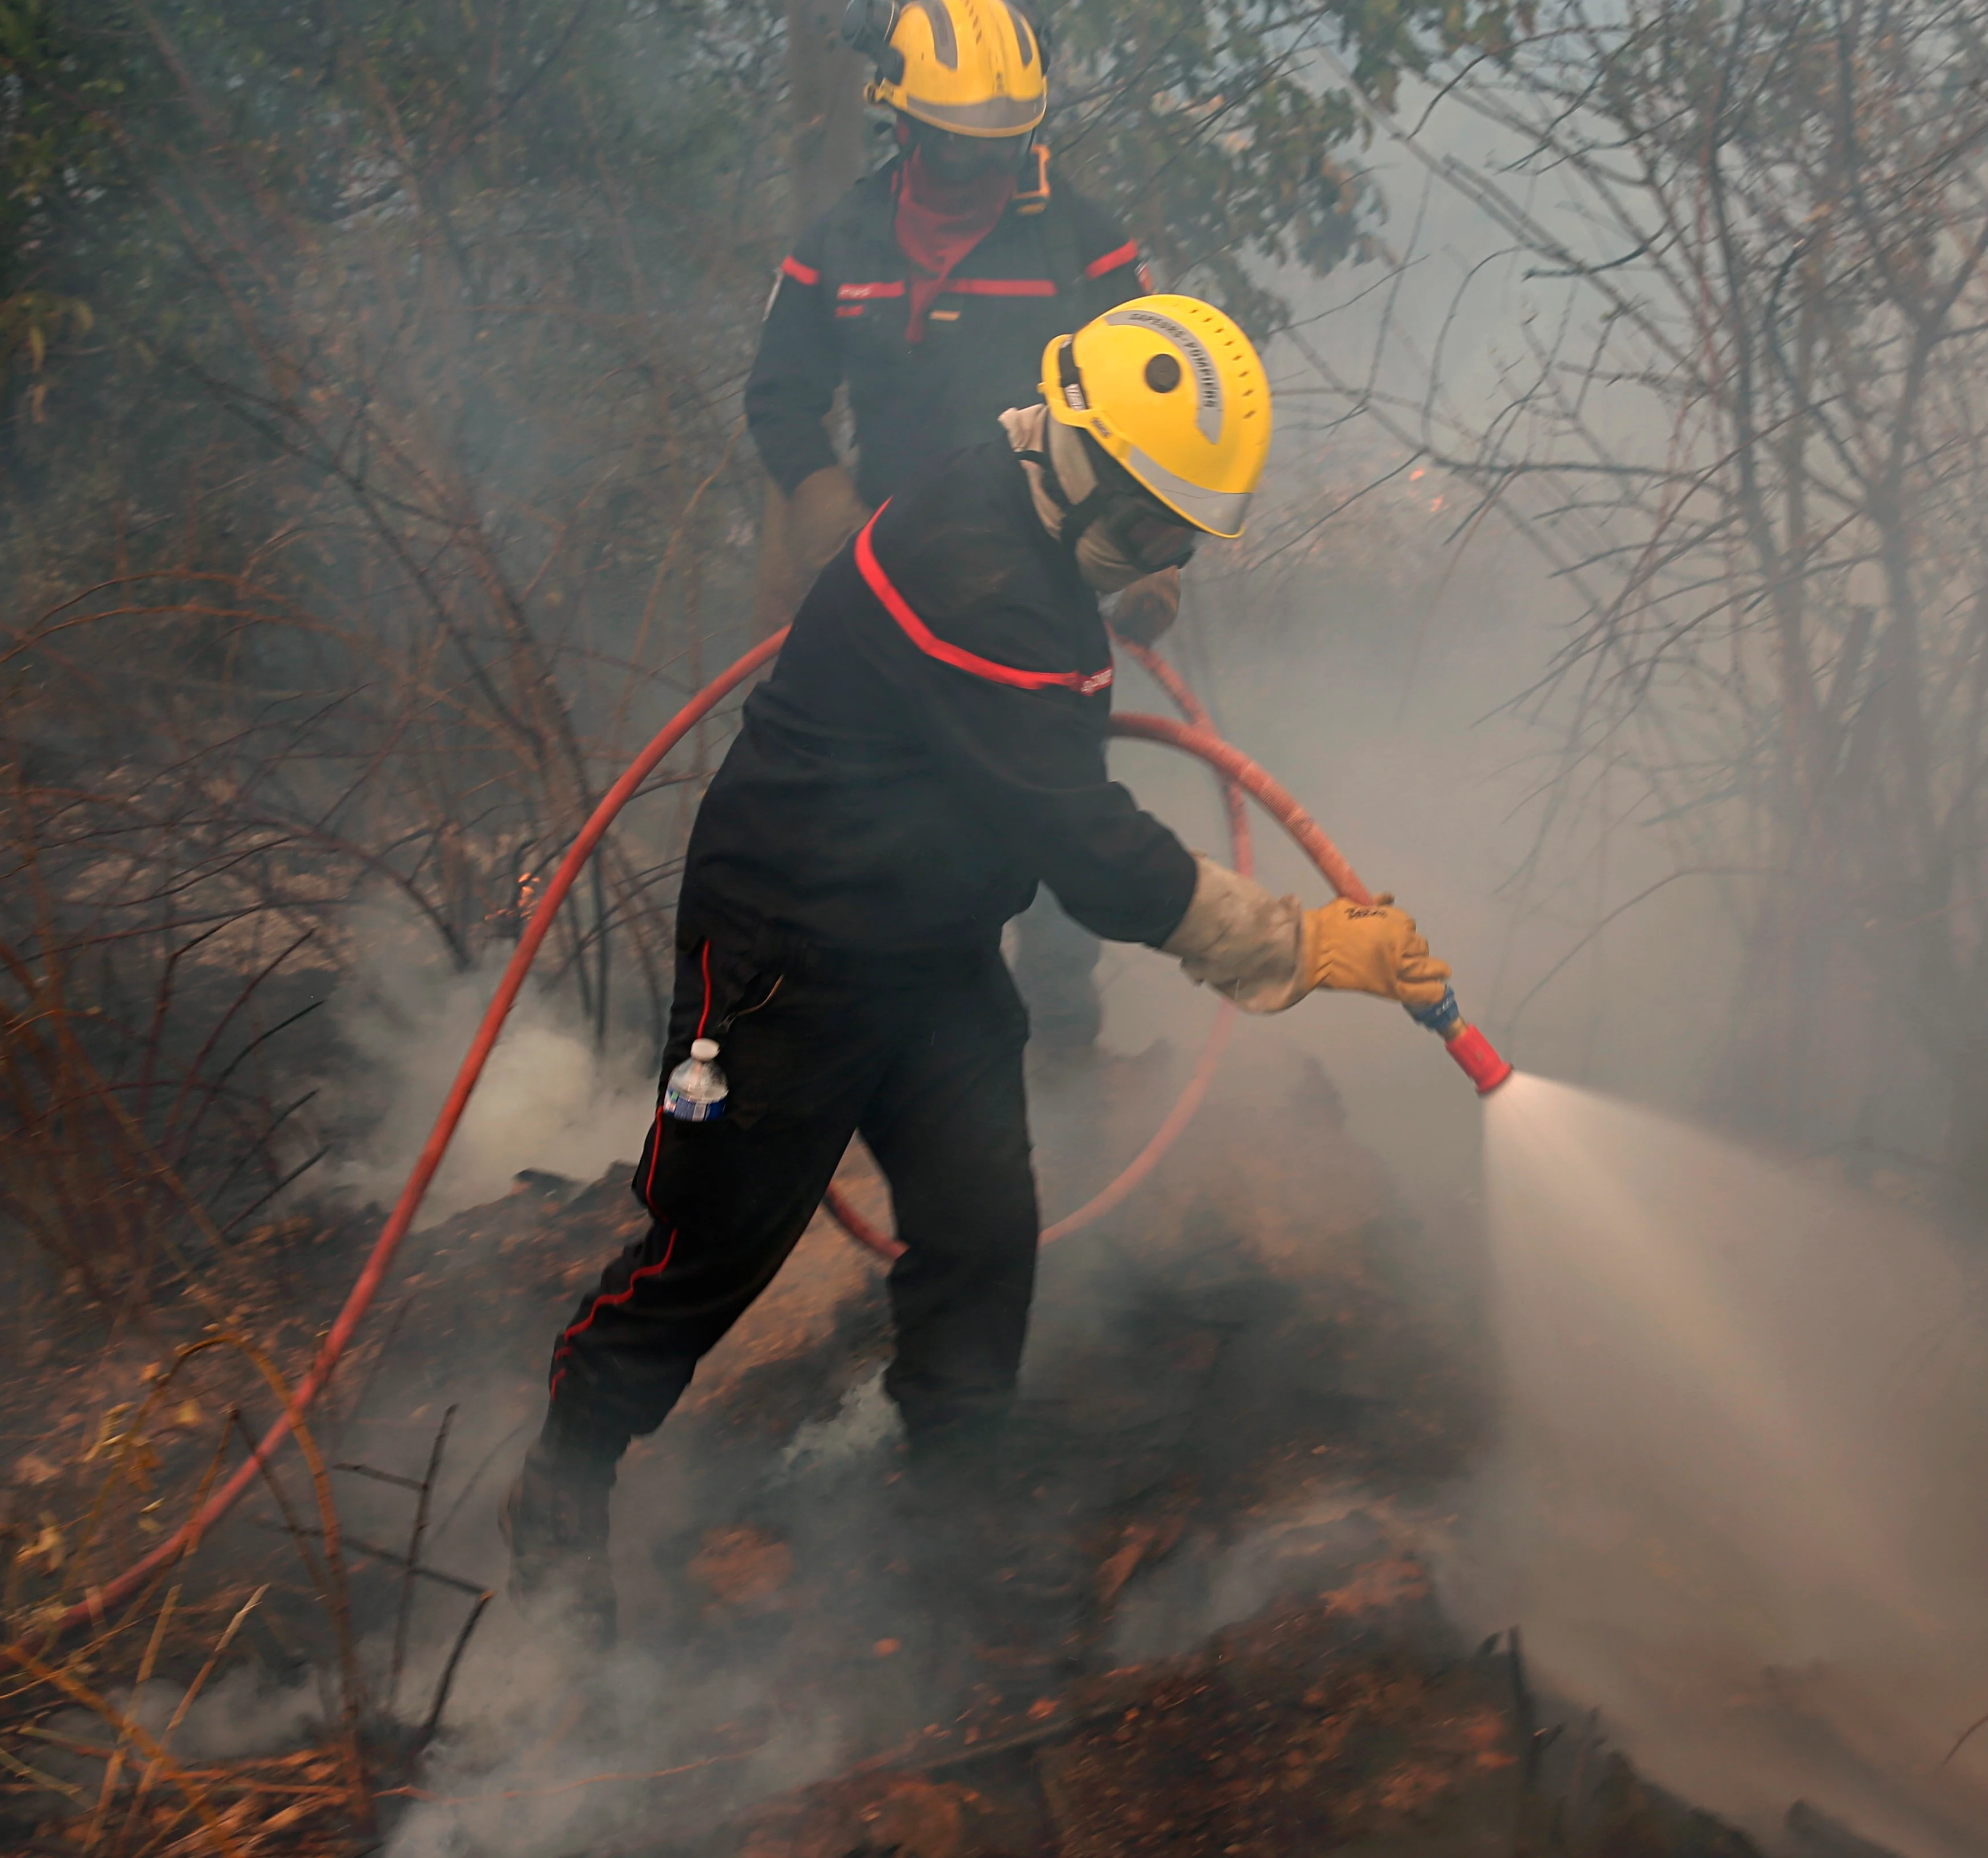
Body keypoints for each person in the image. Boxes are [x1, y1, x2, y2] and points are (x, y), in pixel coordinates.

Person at [511, 295, 1449, 1642]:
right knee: (715, 1251)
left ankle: (947, 1527)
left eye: (1180, 534)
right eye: (1147, 526)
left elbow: (1059, 698)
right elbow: (1095, 854)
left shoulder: (1028, 503)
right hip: (790, 949)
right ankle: (561, 1484)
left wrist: (1132, 563)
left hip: (931, 941)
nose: (1161, 557)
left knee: (981, 1225)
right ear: (1078, 468)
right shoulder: (983, 590)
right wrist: (1304, 947)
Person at [746, 0, 1178, 1068]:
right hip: (892, 597)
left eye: (1003, 146)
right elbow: (780, 392)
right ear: (900, 124)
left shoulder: (1083, 245)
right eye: (954, 146)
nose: (980, 168)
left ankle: (1065, 1076)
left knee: (1061, 827)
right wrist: (817, 496)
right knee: (900, 840)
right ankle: (924, 1079)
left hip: (1044, 598)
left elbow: (1160, 407)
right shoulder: (840, 242)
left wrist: (1161, 555)